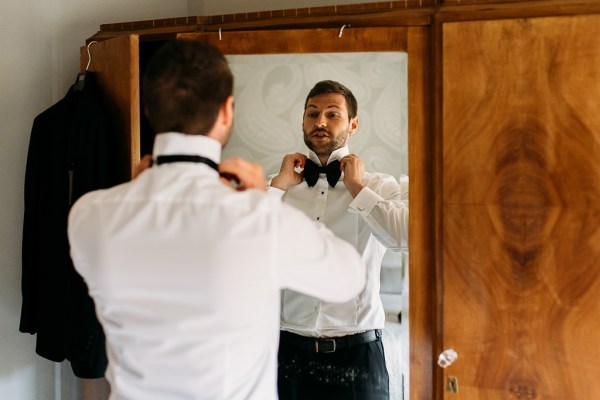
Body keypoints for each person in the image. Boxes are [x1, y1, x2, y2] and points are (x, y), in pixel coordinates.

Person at [67, 41, 366, 400]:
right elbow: (348, 277)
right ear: (227, 112)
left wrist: (136, 194)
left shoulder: (89, 215)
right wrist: (263, 201)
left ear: (149, 109)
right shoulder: (258, 219)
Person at [269, 80, 409, 400]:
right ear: (302, 121)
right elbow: (240, 243)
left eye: (333, 114)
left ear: (353, 124)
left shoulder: (380, 188)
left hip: (359, 355)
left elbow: (406, 239)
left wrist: (359, 189)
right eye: (312, 113)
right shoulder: (277, 188)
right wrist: (276, 187)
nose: (320, 122)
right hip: (288, 353)